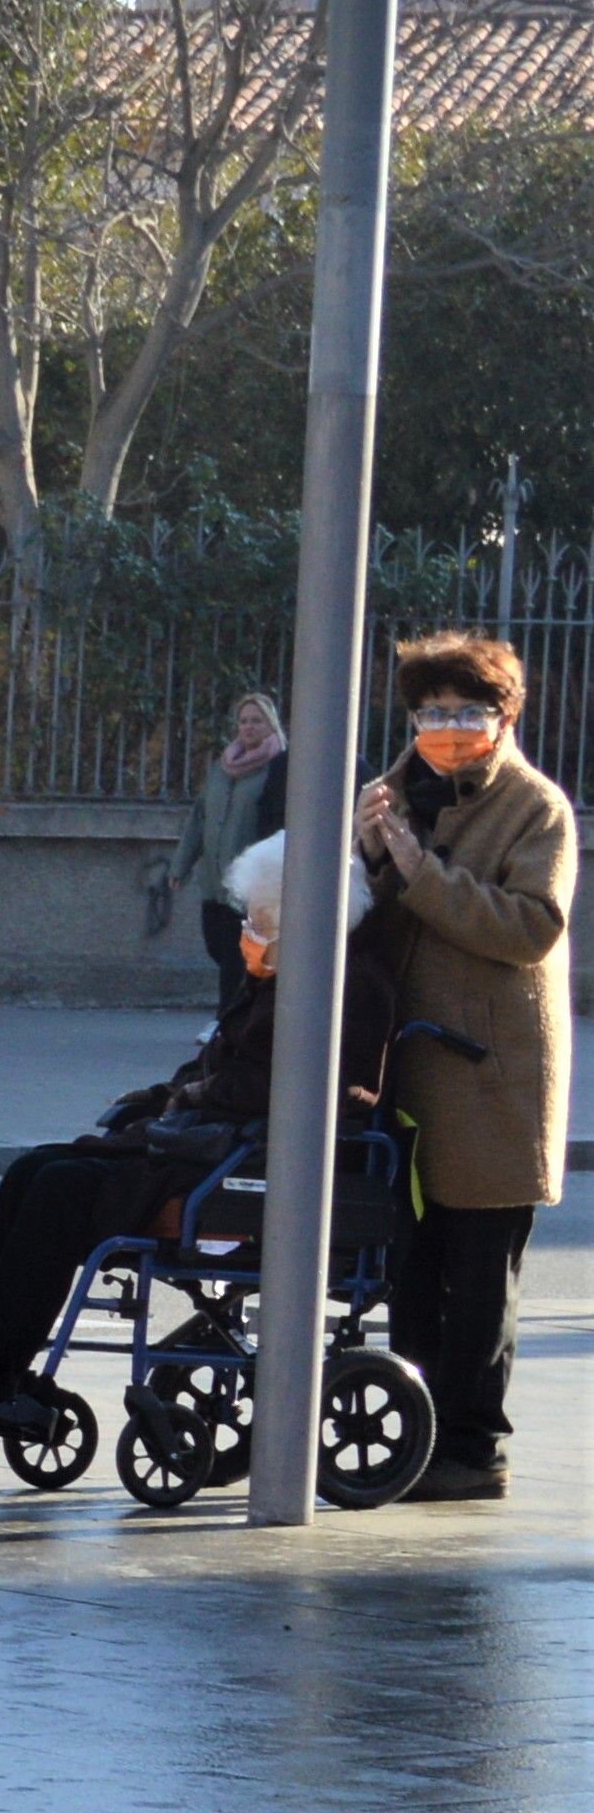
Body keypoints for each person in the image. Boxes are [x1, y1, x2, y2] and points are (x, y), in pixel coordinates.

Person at [0, 830, 394, 1431]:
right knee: (31, 1170)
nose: (248, 933)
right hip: (210, 1142)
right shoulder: (273, 978)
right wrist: (164, 1096)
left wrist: (201, 1096)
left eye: (262, 922)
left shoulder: (350, 985)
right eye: (249, 918)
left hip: (244, 1159)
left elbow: (330, 1090)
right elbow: (213, 1065)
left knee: (59, 1189)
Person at [352, 630, 570, 1505]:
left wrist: (415, 866)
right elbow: (366, 909)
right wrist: (369, 850)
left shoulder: (533, 806)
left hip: (489, 1078)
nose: (443, 727)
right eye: (428, 711)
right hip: (405, 1072)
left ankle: (474, 1449)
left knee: (479, 1281)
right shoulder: (395, 793)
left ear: (503, 715)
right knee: (410, 1269)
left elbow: (529, 927)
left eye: (462, 712)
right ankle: (419, 1438)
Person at [164, 693, 289, 1028]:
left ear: (270, 724)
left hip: (251, 881)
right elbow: (199, 817)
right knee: (217, 946)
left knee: (238, 954)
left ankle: (226, 1021)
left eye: (256, 721)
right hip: (214, 879)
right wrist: (181, 865)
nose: (249, 727)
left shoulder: (278, 768)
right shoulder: (223, 767)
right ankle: (240, 1015)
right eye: (244, 721)